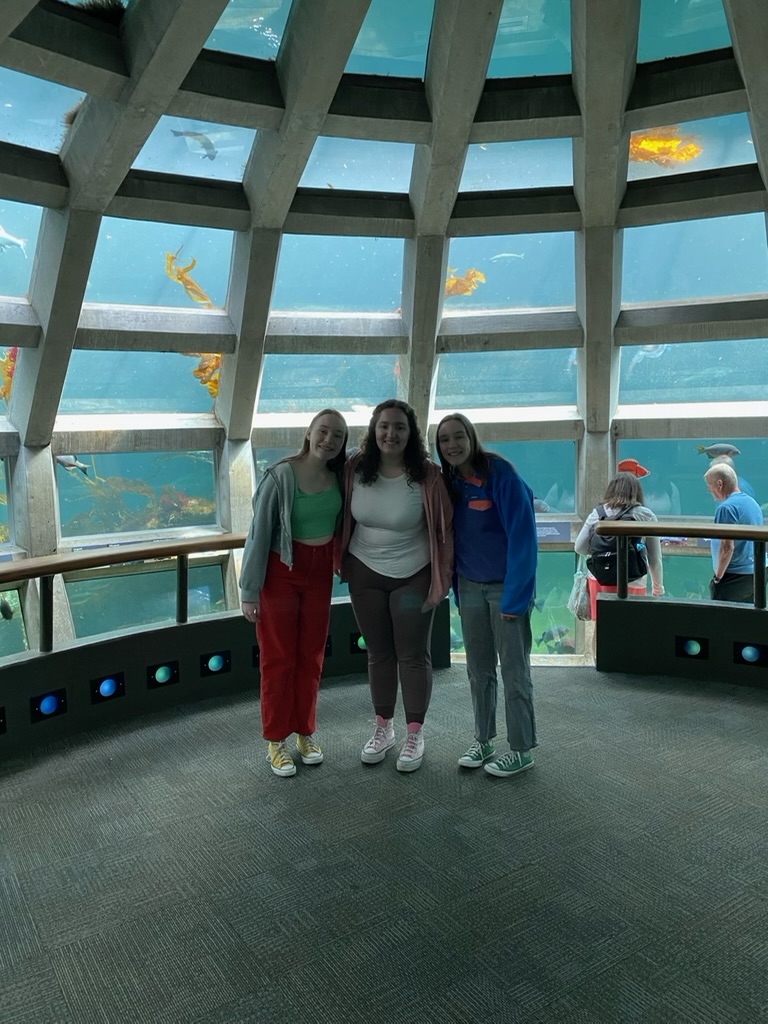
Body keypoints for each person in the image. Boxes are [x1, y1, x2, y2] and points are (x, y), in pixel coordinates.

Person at [337, 399, 453, 773]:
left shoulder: (428, 475)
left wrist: (443, 579)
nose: (391, 433)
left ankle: (415, 733)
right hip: (364, 573)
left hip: (412, 574)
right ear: (373, 429)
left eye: (400, 427)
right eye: (384, 426)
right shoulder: (355, 467)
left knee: (412, 654)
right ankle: (383, 728)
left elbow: (444, 529)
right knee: (378, 652)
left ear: (411, 433)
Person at [240, 409, 348, 777]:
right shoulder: (280, 476)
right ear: (309, 432)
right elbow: (257, 536)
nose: (328, 440)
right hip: (281, 572)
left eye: (337, 435)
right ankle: (276, 741)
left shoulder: (340, 476)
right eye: (323, 431)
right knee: (278, 658)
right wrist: (249, 591)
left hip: (319, 574)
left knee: (311, 655)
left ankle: (305, 731)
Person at [436, 413, 538, 778]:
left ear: (471, 437)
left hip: (504, 590)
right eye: (445, 439)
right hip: (468, 588)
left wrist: (515, 597)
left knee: (514, 671)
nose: (452, 445)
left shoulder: (501, 474)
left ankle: (522, 748)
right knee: (478, 670)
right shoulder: (450, 481)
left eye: (459, 436)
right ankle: (483, 740)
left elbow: (524, 538)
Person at [575, 473, 664, 651]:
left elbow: (579, 547)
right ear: (636, 492)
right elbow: (654, 557)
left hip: (599, 579)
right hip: (633, 579)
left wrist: (603, 551)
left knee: (600, 626)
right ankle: (626, 666)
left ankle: (598, 665)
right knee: (631, 625)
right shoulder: (644, 515)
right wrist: (657, 588)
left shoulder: (597, 513)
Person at [704, 462, 763, 603]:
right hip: (755, 573)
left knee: (724, 620)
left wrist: (717, 578)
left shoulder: (726, 508)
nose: (708, 490)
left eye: (709, 485)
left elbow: (727, 547)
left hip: (733, 576)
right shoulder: (752, 503)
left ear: (719, 484)